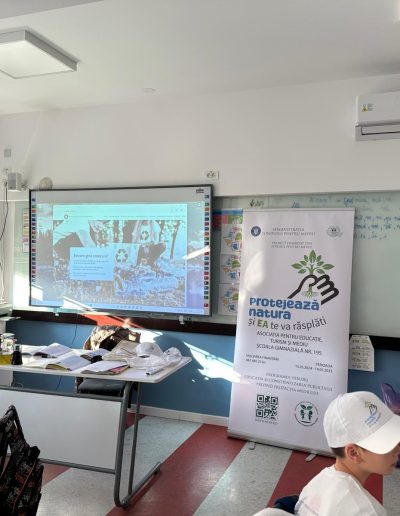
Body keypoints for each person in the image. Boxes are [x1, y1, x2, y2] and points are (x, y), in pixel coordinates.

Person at [294, 391, 400, 515]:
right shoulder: (368, 512)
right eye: (387, 443)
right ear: (354, 453)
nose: (398, 450)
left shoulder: (315, 484)